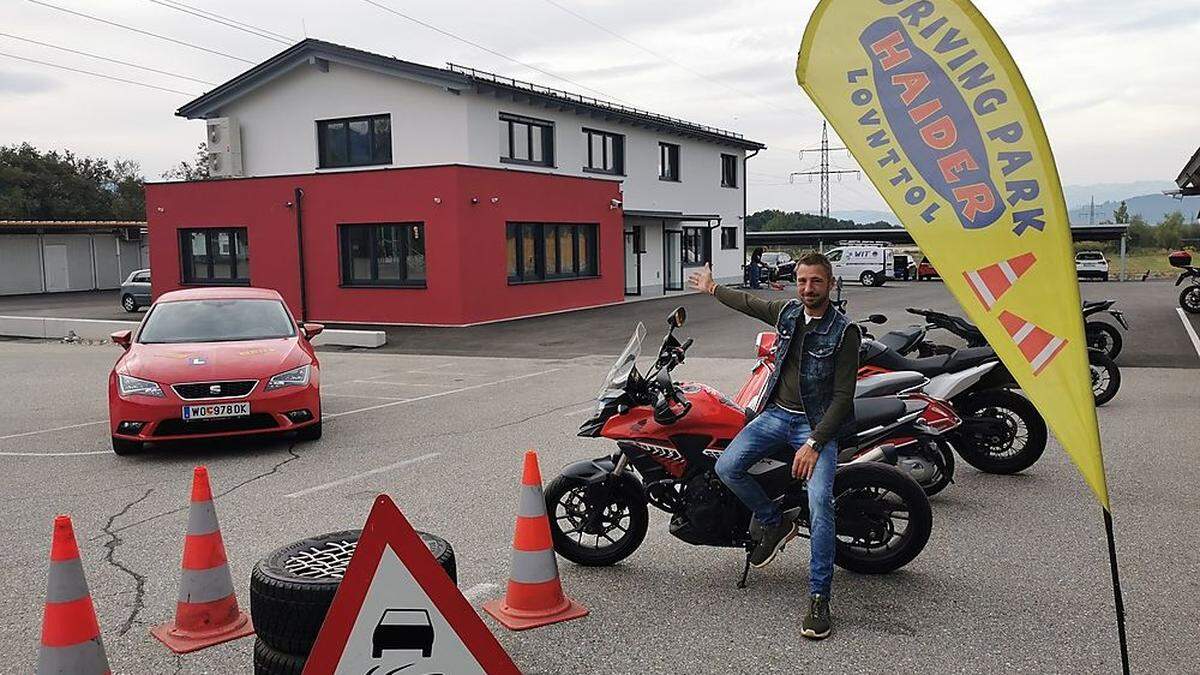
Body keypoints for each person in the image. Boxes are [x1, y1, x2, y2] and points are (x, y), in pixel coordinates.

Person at [687, 253, 860, 640]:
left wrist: (815, 443)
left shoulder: (845, 332)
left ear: (830, 284)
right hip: (776, 415)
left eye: (816, 282)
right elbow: (751, 304)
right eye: (802, 281)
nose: (808, 289)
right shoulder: (788, 313)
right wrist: (713, 288)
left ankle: (819, 597)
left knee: (819, 505)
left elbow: (844, 396)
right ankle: (772, 519)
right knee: (726, 467)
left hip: (815, 426)